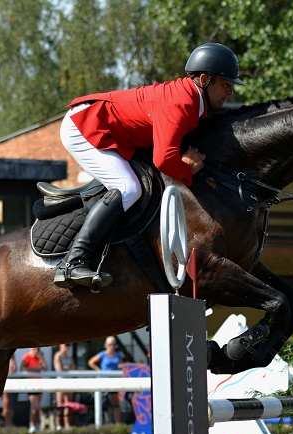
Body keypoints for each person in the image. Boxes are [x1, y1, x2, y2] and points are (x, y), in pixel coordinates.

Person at [54, 42, 243, 290]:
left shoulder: (194, 103)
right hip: (84, 126)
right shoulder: (182, 104)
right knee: (129, 188)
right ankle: (72, 261)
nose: (230, 91)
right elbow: (163, 159)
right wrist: (189, 170)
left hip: (110, 130)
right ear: (205, 79)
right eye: (226, 84)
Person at [89, 336, 123, 423]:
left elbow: (121, 366)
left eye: (113, 344)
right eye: (110, 344)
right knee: (103, 404)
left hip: (115, 382)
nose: (111, 346)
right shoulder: (102, 354)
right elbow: (91, 362)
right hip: (104, 381)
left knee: (116, 404)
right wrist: (100, 371)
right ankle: (103, 422)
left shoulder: (118, 355)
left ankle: (117, 423)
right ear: (106, 345)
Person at [20, 347, 48, 432]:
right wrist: (35, 370)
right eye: (35, 349)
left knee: (36, 408)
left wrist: (43, 357)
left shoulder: (39, 358)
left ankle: (34, 425)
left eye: (38, 349)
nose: (37, 351)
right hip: (31, 385)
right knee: (35, 407)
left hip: (39, 384)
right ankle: (33, 425)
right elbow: (22, 368)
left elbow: (46, 368)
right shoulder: (27, 357)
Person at [53, 343, 76, 430]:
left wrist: (66, 368)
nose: (67, 347)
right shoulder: (57, 355)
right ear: (60, 345)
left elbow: (74, 368)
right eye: (66, 345)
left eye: (69, 345)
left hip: (68, 381)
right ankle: (58, 425)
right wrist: (68, 368)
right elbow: (60, 369)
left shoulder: (69, 357)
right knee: (60, 404)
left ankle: (67, 424)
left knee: (68, 404)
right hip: (60, 382)